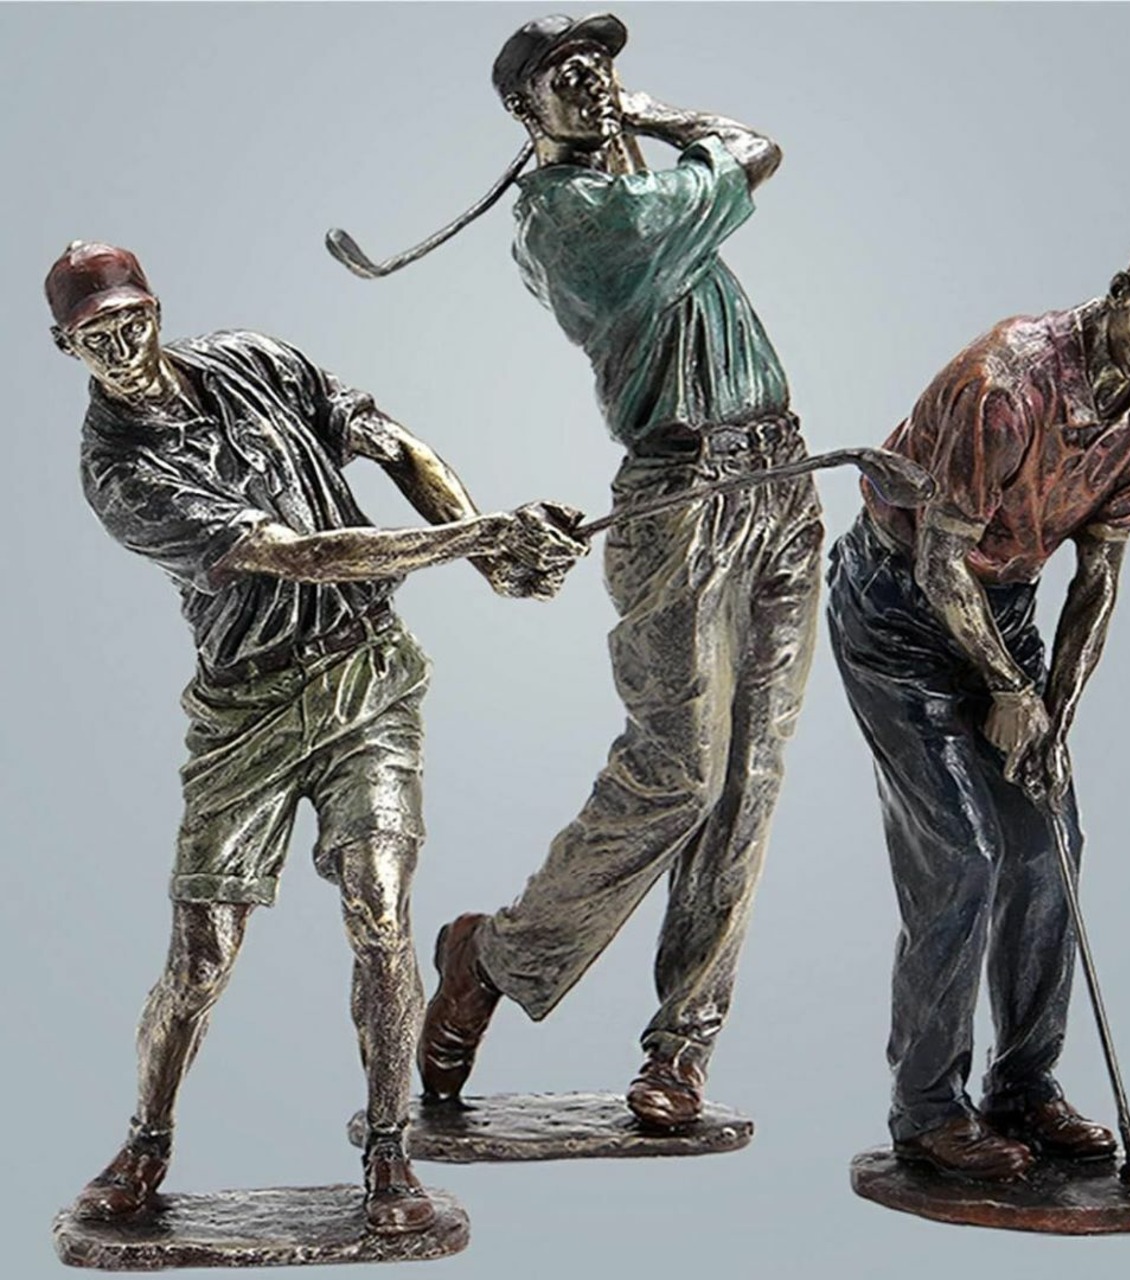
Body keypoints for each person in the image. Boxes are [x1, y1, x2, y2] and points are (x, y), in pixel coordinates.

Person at [47, 240, 587, 1231]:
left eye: (129, 320)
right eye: (94, 335)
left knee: (380, 912)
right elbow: (299, 556)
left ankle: (388, 1149)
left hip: (367, 680)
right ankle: (146, 1140)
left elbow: (395, 446)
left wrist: (489, 554)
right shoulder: (118, 471)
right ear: (66, 347)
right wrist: (480, 537)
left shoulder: (256, 359)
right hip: (245, 713)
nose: (119, 345)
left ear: (155, 309)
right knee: (201, 956)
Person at [418, 12, 825, 1130]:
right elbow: (756, 148)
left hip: (785, 482)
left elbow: (733, 156)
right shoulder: (569, 218)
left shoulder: (639, 184)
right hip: (681, 495)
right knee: (677, 774)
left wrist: (638, 121)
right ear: (524, 110)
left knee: (747, 784)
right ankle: (491, 954)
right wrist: (661, 118)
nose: (593, 80)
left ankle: (682, 1046)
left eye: (601, 63)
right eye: (563, 73)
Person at [825, 227, 1130, 1179]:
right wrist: (1011, 693)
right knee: (962, 860)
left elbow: (1099, 574)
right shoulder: (1005, 383)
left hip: (1003, 613)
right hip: (897, 614)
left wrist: (1056, 710)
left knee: (1051, 842)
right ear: (1119, 292)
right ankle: (928, 1111)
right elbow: (938, 561)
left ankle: (1024, 1088)